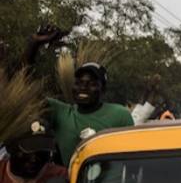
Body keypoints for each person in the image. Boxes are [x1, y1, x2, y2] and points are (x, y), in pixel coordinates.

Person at [24, 25, 134, 164]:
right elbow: (26, 87)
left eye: (92, 83)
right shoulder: (61, 113)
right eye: (79, 82)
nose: (84, 87)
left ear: (103, 89)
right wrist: (33, 45)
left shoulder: (120, 115)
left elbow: (130, 159)